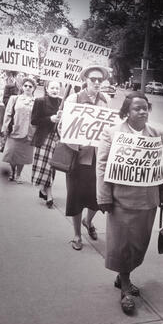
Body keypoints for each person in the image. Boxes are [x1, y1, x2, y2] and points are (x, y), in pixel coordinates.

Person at [97, 92, 163, 314]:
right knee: (122, 244)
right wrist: (104, 197)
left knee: (138, 244)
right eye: (137, 108)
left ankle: (123, 276)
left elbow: (162, 168)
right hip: (121, 201)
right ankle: (126, 288)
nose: (142, 111)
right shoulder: (112, 133)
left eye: (145, 107)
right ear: (127, 111)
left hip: (148, 202)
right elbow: (101, 166)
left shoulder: (156, 134)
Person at [62, 64, 110, 251]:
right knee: (75, 196)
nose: (97, 82)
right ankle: (76, 235)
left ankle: (88, 221)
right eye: (93, 79)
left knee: (97, 197)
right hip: (77, 157)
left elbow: (109, 128)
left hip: (98, 158)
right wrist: (76, 143)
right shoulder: (74, 99)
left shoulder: (105, 101)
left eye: (100, 79)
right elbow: (63, 128)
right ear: (85, 80)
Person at [30, 80, 63, 208]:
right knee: (47, 166)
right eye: (52, 88)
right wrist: (50, 119)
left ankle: (43, 189)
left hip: (57, 138)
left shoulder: (62, 102)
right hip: (44, 138)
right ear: (47, 89)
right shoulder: (40, 101)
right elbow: (34, 120)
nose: (55, 90)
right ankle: (49, 195)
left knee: (52, 167)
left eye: (57, 88)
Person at [1, 77, 36, 183]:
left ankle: (18, 174)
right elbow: (8, 113)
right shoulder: (14, 98)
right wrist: (5, 128)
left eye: (30, 86)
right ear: (22, 87)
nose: (28, 88)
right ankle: (12, 171)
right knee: (11, 152)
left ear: (34, 88)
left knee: (23, 155)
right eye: (26, 86)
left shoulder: (37, 101)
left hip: (29, 132)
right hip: (14, 130)